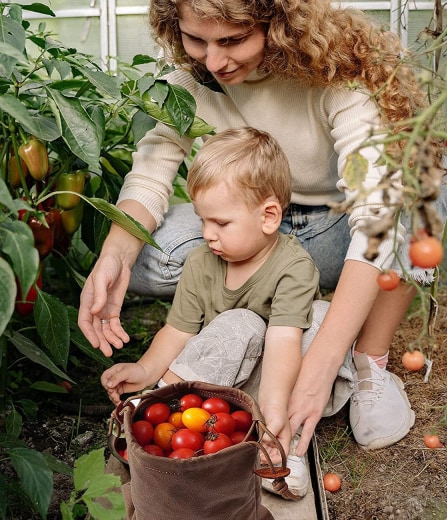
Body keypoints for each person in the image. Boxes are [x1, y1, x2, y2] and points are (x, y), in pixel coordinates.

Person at [78, 0, 447, 460]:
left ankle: (368, 360)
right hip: (263, 227)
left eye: (232, 40)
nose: (212, 61)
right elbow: (154, 165)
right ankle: (255, 322)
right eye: (195, 39)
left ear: (275, 22)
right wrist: (114, 254)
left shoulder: (336, 70)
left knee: (421, 192)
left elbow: (377, 213)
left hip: (336, 225)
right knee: (140, 260)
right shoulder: (195, 74)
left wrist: (323, 362)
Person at [102, 126, 327, 498]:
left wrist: (274, 412)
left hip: (282, 381)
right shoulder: (201, 263)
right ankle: (163, 408)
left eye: (220, 223)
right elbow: (177, 331)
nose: (207, 233)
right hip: (225, 384)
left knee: (321, 318)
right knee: (241, 322)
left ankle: (286, 440)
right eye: (202, 219)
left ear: (269, 216)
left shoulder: (294, 267)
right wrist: (144, 370)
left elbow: (286, 342)